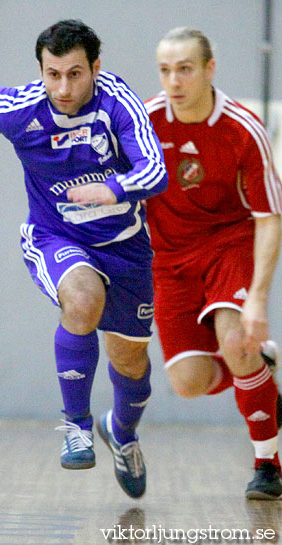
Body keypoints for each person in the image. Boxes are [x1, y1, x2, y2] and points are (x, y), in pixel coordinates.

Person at [0, 19, 168, 498]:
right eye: (52, 74)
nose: (63, 87)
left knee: (130, 362)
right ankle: (76, 425)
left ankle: (123, 433)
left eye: (74, 74)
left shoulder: (117, 102)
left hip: (126, 246)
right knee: (83, 300)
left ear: (96, 68)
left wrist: (110, 188)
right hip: (55, 236)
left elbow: (156, 171)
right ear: (40, 71)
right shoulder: (21, 108)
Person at [145, 27, 282, 499]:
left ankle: (268, 464)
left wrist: (258, 300)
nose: (174, 81)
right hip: (169, 261)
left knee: (236, 340)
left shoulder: (244, 130)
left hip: (229, 245)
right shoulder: (146, 123)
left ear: (209, 69)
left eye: (184, 69)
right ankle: (257, 370)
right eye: (165, 70)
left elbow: (269, 218)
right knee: (188, 382)